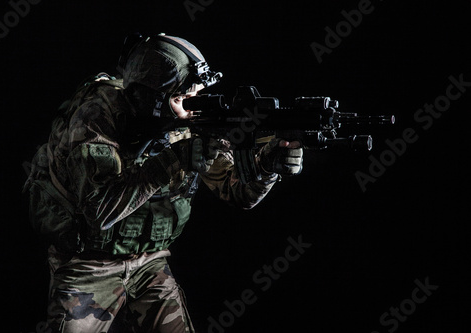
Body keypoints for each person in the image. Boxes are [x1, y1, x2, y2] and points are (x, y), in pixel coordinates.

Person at [24, 33, 303, 333]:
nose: (192, 108)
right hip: (87, 263)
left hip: (149, 262)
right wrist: (175, 159)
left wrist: (266, 167)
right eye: (181, 99)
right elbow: (99, 211)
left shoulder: (188, 122)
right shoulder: (96, 116)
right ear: (149, 99)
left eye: (197, 94)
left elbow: (237, 190)